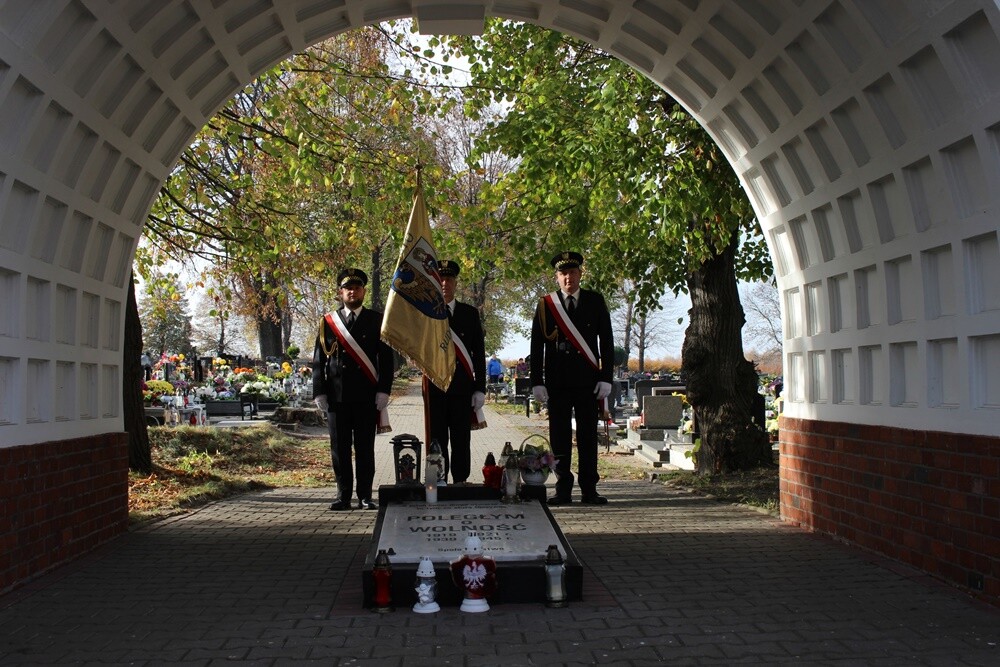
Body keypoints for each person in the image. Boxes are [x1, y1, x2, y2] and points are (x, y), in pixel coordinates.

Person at [530, 251, 614, 506]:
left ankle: (589, 489)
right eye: (563, 273)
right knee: (559, 436)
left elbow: (607, 342)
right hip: (558, 381)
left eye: (573, 272)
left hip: (588, 381)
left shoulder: (595, 301)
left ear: (580, 274)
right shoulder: (547, 305)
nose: (569, 277)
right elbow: (537, 346)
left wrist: (606, 377)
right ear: (557, 277)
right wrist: (537, 381)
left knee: (588, 435)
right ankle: (563, 488)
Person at [312, 268, 394, 511]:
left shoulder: (377, 320)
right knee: (339, 448)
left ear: (363, 292)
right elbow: (319, 361)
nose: (352, 291)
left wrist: (384, 390)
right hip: (337, 398)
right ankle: (343, 495)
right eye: (348, 288)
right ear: (340, 292)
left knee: (364, 448)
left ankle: (366, 496)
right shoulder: (328, 322)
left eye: (357, 288)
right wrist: (319, 392)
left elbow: (387, 360)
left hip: (366, 396)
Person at [425, 261, 486, 484]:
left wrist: (480, 388)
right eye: (440, 279)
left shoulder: (469, 314)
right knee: (437, 437)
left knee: (461, 437)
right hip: (435, 387)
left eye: (448, 279)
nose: (444, 283)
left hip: (462, 388)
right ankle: (439, 478)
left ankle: (460, 480)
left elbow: (479, 353)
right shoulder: (426, 315)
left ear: (455, 283)